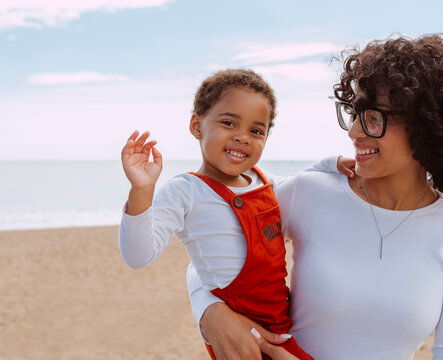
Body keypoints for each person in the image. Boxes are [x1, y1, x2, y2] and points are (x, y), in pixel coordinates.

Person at [187, 34, 443, 359]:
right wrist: (210, 311)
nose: (354, 131)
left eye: (373, 117)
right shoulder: (308, 193)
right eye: (354, 113)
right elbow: (209, 246)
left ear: (427, 124)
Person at [118, 69, 351, 360]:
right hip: (238, 339)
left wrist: (336, 163)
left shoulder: (264, 181)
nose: (242, 138)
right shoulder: (186, 190)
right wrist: (141, 190)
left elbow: (302, 180)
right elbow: (138, 256)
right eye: (229, 123)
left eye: (256, 131)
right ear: (196, 125)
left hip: (280, 326)